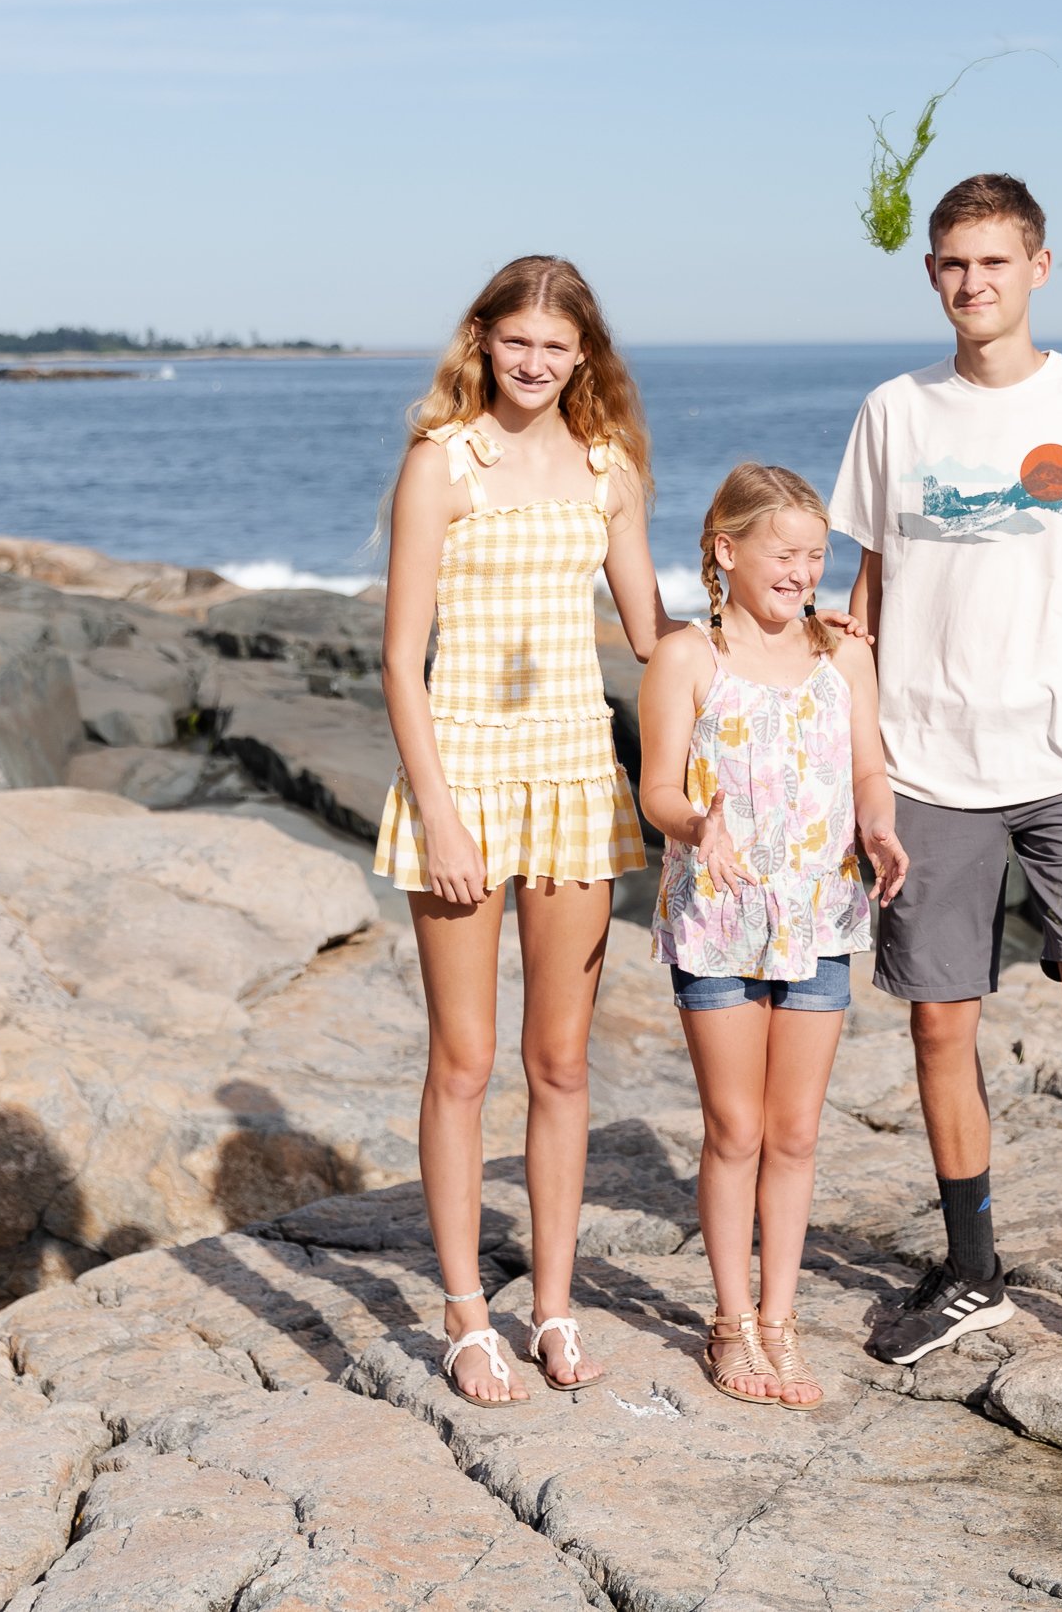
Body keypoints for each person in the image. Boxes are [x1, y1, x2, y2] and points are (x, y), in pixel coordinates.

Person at [829, 172, 1062, 1364]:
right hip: (927, 770)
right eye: (952, 264)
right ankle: (974, 1275)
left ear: (1037, 268)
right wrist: (856, 765)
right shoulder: (895, 411)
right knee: (942, 1027)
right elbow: (870, 593)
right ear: (932, 274)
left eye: (994, 262)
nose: (972, 283)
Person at [375, 255, 669, 1408]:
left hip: (573, 782)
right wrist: (440, 812)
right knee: (464, 1062)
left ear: (583, 355)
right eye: (515, 343)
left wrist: (784, 623)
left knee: (559, 1063)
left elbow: (651, 634)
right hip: (463, 778)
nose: (534, 364)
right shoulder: (442, 463)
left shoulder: (610, 469)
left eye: (556, 347)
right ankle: (462, 1314)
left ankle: (552, 1303)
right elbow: (401, 656)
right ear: (483, 340)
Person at [639, 465, 908, 1409]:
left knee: (794, 1132)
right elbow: (657, 788)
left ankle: (781, 1321)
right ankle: (728, 1319)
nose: (803, 572)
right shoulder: (687, 657)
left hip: (818, 918)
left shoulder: (844, 655)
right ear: (726, 549)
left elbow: (870, 770)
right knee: (736, 1128)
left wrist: (877, 828)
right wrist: (697, 826)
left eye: (815, 555)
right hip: (716, 921)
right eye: (784, 553)